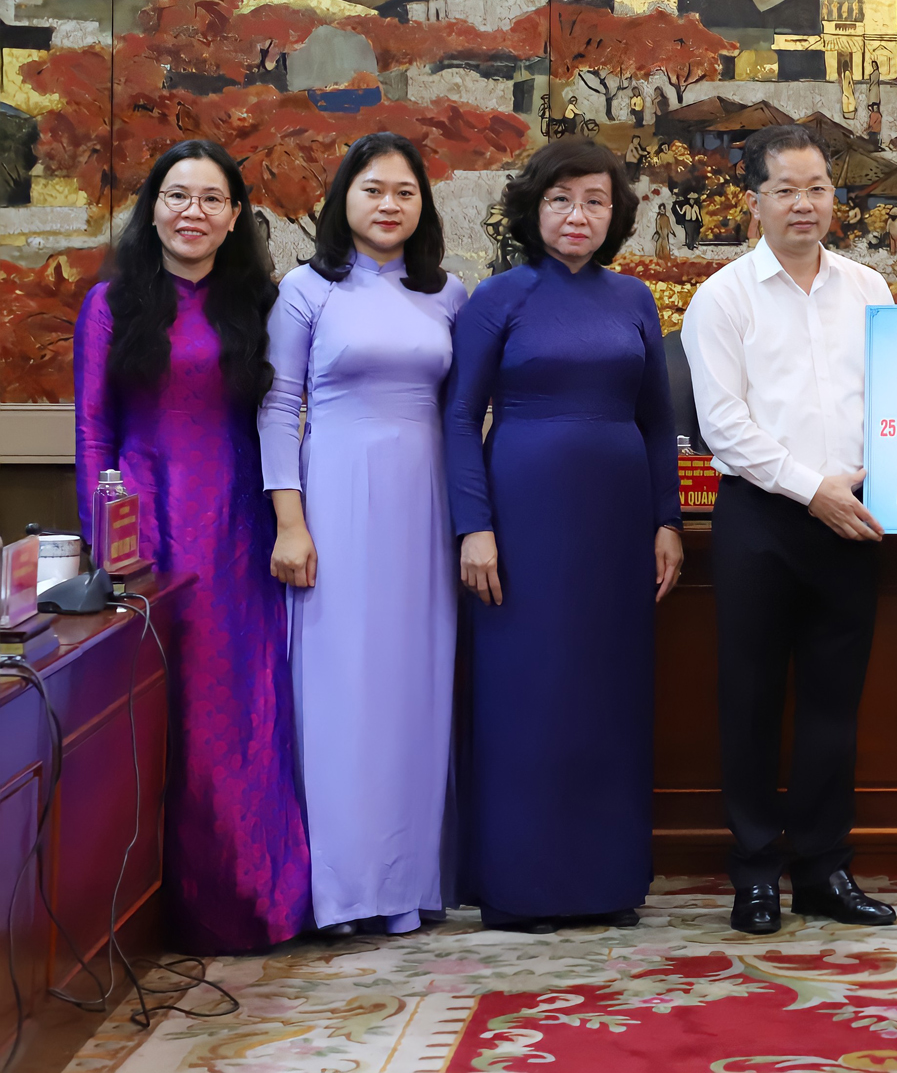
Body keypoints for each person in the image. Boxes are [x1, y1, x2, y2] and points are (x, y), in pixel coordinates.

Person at [73, 140, 310, 953]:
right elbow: (93, 432)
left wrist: (290, 520)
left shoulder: (260, 303)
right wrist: (110, 543)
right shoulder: (112, 304)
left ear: (235, 216)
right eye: (177, 196)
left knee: (240, 709)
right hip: (148, 527)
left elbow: (281, 420)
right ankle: (160, 910)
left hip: (241, 528)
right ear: (153, 206)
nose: (192, 213)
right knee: (161, 716)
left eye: (212, 200)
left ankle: (253, 899)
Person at [444, 139, 685, 934]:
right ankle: (522, 886)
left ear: (615, 215)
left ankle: (608, 880)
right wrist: (473, 527)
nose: (576, 215)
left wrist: (666, 520)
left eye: (593, 201)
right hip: (521, 518)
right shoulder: (498, 296)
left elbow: (658, 422)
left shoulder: (635, 301)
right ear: (533, 209)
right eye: (559, 200)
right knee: (528, 694)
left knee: (608, 695)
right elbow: (456, 417)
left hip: (617, 523)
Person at [682, 123, 897, 937]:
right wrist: (813, 491)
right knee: (750, 699)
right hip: (762, 521)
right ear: (755, 203)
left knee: (834, 706)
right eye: (786, 190)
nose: (804, 205)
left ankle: (823, 869)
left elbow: (896, 403)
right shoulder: (724, 297)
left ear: (834, 200)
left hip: (856, 520)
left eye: (817, 190)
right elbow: (724, 427)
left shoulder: (869, 289)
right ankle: (754, 876)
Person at [260, 132, 468, 938]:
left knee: (417, 692)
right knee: (340, 693)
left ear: (423, 207)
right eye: (374, 189)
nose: (389, 205)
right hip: (335, 504)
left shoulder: (448, 295)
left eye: (405, 193)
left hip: (425, 508)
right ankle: (340, 893)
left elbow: (462, 411)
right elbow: (277, 408)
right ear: (344, 199)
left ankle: (408, 885)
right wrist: (291, 521)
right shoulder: (307, 291)